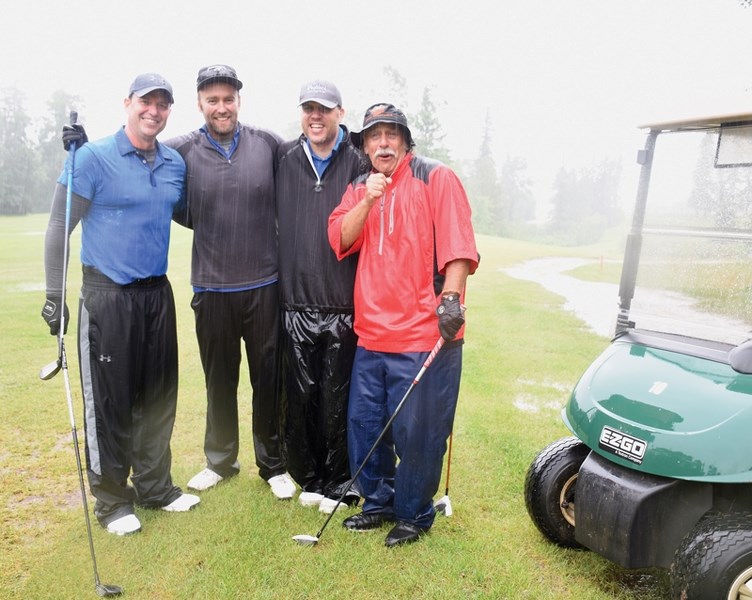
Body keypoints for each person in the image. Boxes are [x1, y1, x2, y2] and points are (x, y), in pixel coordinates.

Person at [41, 73, 200, 536]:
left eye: (162, 104)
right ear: (127, 103)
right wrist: (55, 296)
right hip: (107, 296)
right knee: (110, 402)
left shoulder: (173, 163)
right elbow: (57, 226)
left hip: (156, 294)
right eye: (145, 102)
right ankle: (112, 500)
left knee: (157, 394)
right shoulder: (90, 158)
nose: (154, 110)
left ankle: (154, 487)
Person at [327, 103, 479, 547]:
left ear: (406, 141)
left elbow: (458, 246)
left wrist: (450, 299)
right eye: (373, 137)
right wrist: (371, 198)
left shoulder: (436, 178)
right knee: (365, 425)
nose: (383, 143)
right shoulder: (360, 188)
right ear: (364, 147)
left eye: (391, 134)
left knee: (419, 433)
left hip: (424, 335)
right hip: (372, 335)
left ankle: (413, 513)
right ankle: (378, 503)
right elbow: (340, 237)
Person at [165, 65, 294, 500]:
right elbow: (151, 174)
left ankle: (272, 463)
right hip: (211, 288)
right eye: (212, 99)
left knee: (267, 378)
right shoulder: (180, 149)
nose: (221, 107)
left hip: (264, 285)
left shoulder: (269, 144)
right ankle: (220, 461)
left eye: (228, 98)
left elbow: (308, 164)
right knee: (219, 380)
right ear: (200, 103)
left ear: (239, 99)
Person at [276, 80, 365, 514]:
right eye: (308, 108)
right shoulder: (286, 160)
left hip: (343, 304)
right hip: (295, 301)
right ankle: (307, 476)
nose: (316, 116)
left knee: (338, 396)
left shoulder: (360, 162)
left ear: (340, 114)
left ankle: (340, 479)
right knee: (302, 395)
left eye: (324, 109)